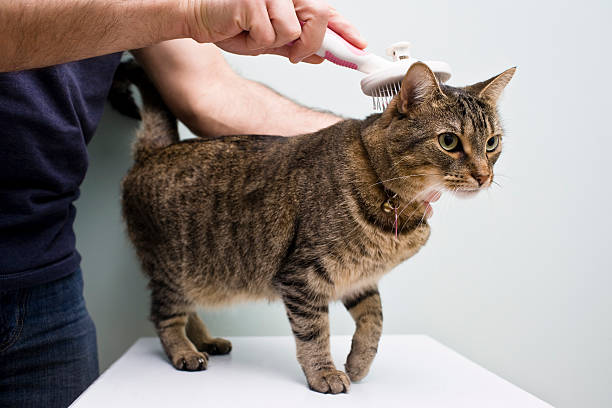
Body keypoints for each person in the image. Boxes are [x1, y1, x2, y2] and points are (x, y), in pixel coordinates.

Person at [0, 1, 367, 406]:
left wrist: (367, 154)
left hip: (46, 282)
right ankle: (173, 323)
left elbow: (209, 91)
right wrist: (191, 12)